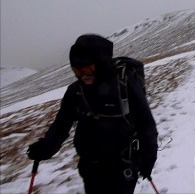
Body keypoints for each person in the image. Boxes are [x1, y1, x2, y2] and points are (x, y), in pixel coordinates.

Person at [27, 34, 158, 194]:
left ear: (100, 61)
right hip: (91, 168)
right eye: (77, 70)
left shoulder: (124, 84)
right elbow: (62, 124)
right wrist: (46, 147)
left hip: (123, 164)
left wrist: (148, 157)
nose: (83, 75)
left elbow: (146, 123)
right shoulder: (76, 91)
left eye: (88, 68)